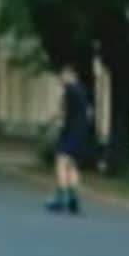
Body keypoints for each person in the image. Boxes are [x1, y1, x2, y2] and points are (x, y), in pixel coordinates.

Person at [45, 63, 93, 214]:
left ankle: (61, 198)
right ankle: (73, 199)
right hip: (82, 133)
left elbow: (63, 111)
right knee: (72, 165)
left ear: (71, 75)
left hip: (70, 132)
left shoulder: (69, 91)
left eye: (64, 75)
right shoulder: (83, 91)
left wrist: (51, 122)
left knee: (61, 162)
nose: (61, 78)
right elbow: (88, 112)